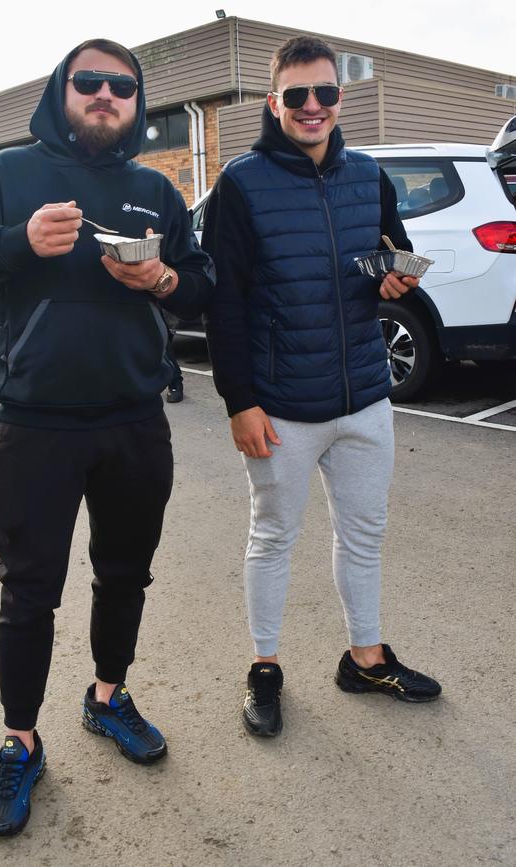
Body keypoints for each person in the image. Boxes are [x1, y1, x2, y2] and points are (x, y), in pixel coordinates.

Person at [0, 38, 214, 836]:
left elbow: (201, 287)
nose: (104, 95)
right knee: (28, 592)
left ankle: (106, 696)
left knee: (125, 574)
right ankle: (20, 739)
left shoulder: (156, 189)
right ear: (62, 91)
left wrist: (159, 279)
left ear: (136, 101)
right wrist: (18, 242)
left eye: (121, 86)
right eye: (88, 82)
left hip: (133, 419)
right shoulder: (5, 176)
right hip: (35, 424)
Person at [202, 35, 441, 738]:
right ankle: (265, 667)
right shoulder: (240, 186)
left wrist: (398, 276)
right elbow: (225, 304)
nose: (313, 107)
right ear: (275, 103)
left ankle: (364, 657)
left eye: (325, 93)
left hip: (365, 396)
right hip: (281, 405)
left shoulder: (369, 176)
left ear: (341, 99)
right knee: (273, 535)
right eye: (297, 95)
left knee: (365, 534)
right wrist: (239, 401)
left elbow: (390, 257)